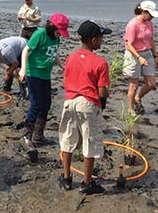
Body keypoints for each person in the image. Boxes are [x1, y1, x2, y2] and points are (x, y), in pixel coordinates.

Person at [58, 20, 111, 195]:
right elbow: (102, 92)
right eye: (101, 37)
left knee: (68, 140)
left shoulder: (71, 57)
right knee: (90, 142)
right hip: (87, 104)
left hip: (69, 102)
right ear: (93, 40)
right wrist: (104, 97)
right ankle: (87, 183)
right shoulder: (100, 63)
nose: (102, 40)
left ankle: (66, 178)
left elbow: (65, 82)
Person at [18, 13, 69, 147]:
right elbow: (25, 50)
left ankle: (39, 135)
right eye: (59, 32)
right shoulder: (40, 34)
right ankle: (27, 135)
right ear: (52, 27)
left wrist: (62, 66)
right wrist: (23, 69)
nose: (60, 35)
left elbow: (54, 53)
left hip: (46, 75)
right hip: (33, 72)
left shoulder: (56, 38)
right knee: (36, 104)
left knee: (46, 104)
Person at [123, 0, 158, 115]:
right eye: (150, 15)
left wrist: (155, 56)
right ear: (144, 12)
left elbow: (151, 40)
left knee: (151, 84)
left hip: (147, 53)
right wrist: (139, 57)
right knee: (134, 85)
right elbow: (129, 45)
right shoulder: (133, 24)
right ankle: (130, 109)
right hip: (133, 55)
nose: (152, 18)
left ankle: (137, 98)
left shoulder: (149, 23)